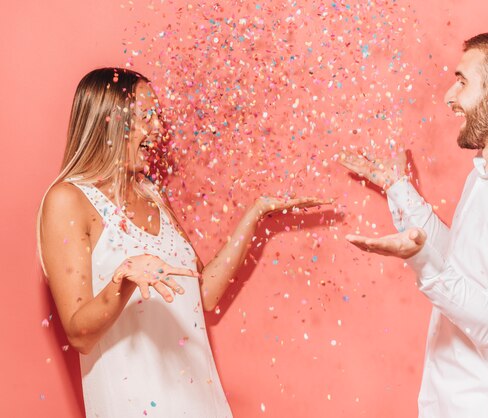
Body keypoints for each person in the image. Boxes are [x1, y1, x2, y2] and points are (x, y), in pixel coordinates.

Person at [37, 68, 330, 417]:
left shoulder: (151, 193)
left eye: (157, 118)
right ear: (108, 122)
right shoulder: (67, 200)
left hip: (202, 404)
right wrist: (124, 280)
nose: (158, 130)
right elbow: (80, 334)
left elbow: (202, 292)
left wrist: (256, 212)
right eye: (146, 117)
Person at [340, 31, 488, 418]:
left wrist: (422, 260)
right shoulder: (487, 176)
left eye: (463, 81)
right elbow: (465, 265)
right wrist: (399, 191)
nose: (450, 97)